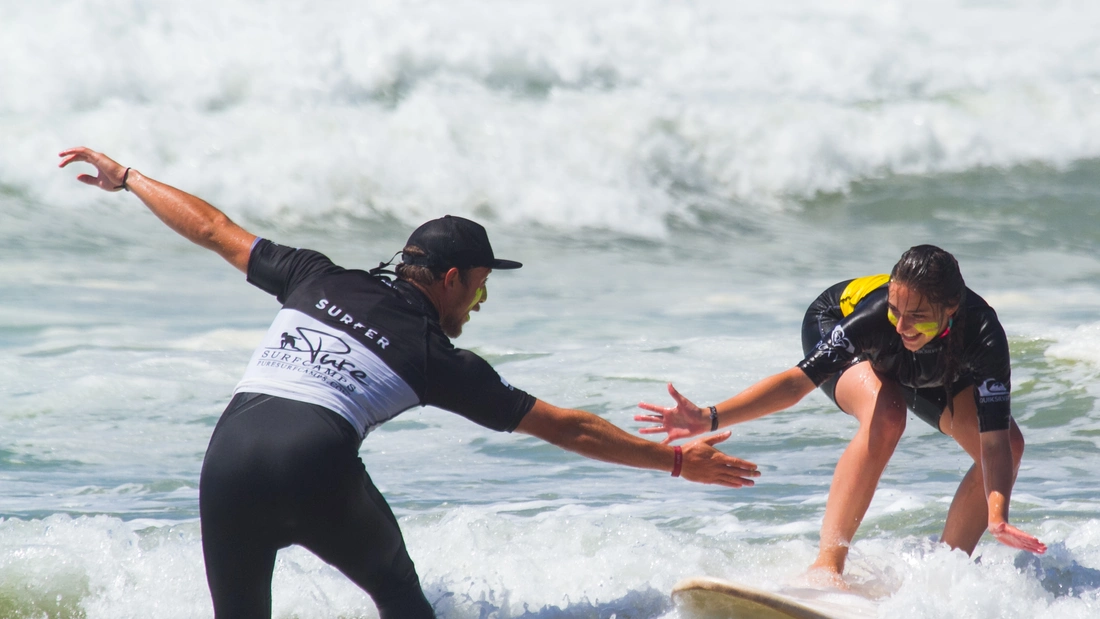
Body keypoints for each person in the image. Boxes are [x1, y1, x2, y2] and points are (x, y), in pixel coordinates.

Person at [59, 146, 760, 619]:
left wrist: (129, 179)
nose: (476, 309)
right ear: (451, 280)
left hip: (226, 461)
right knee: (403, 603)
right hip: (314, 463)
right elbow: (563, 424)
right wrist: (673, 460)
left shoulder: (315, 275)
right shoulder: (433, 355)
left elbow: (213, 228)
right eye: (479, 292)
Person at [636, 245, 1046, 584]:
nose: (902, 325)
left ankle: (944, 569)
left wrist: (999, 517)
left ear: (952, 308)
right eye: (897, 310)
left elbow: (992, 441)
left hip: (937, 362)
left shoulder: (984, 335)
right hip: (834, 321)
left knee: (1010, 441)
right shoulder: (878, 320)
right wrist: (709, 418)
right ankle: (827, 566)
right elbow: (796, 384)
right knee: (887, 413)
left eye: (916, 316)